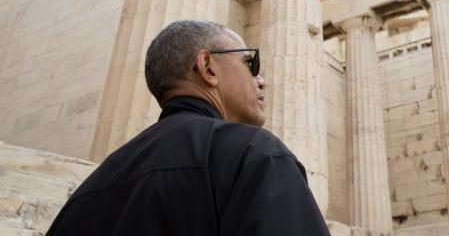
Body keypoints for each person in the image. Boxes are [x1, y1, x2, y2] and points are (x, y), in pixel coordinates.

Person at [47, 20, 330, 235]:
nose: (261, 80)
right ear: (207, 66)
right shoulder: (254, 154)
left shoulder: (92, 186)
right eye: (250, 63)